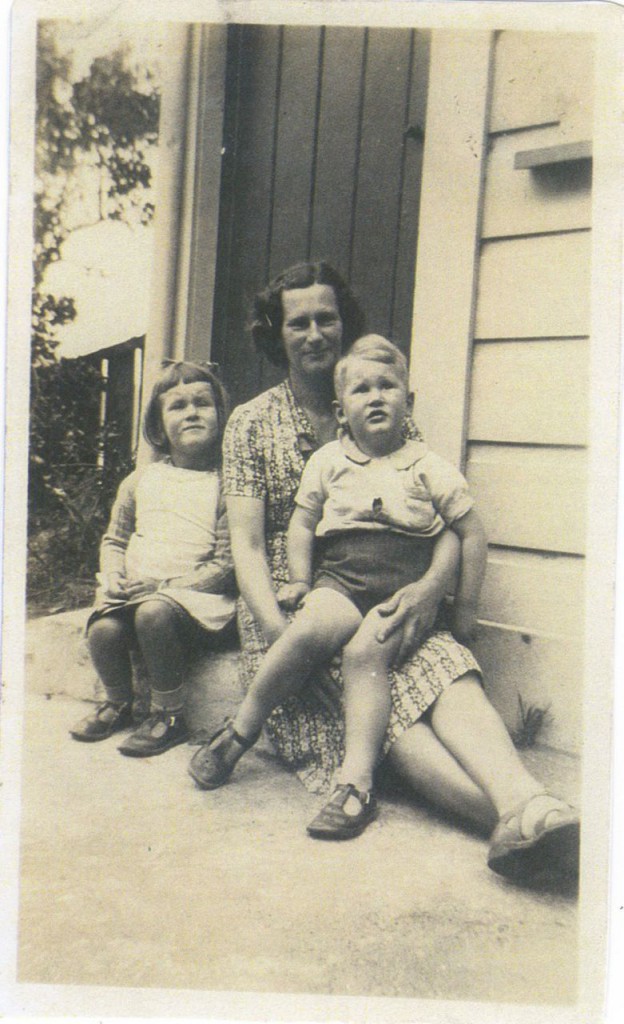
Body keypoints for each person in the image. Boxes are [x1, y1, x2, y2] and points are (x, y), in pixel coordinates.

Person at [189, 262, 579, 882]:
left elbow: (446, 520)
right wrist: (286, 637)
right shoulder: (250, 424)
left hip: (393, 592)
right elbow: (250, 550)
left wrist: (430, 590)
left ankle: (530, 805)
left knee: (442, 669)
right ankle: (521, 821)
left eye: (327, 318)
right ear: (276, 332)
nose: (315, 333)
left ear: (344, 324)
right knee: (388, 707)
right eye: (299, 323)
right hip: (295, 613)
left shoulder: (382, 396)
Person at [189, 335, 486, 842]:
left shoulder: (428, 465)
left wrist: (464, 612)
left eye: (388, 387)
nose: (375, 397)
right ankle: (242, 728)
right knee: (307, 631)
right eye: (362, 389)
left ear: (407, 403)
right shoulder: (328, 460)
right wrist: (301, 580)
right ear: (340, 410)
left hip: (401, 590)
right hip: (341, 581)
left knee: (363, 663)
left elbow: (471, 532)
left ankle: (356, 782)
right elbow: (303, 525)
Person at [70, 360, 237, 757]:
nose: (192, 412)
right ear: (159, 426)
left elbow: (227, 565)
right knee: (103, 631)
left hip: (198, 602)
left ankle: (169, 714)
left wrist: (165, 588)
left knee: (153, 615)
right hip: (138, 595)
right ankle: (118, 701)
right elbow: (115, 539)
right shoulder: (141, 479)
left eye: (203, 403)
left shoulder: (226, 482)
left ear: (221, 416)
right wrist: (112, 575)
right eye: (178, 406)